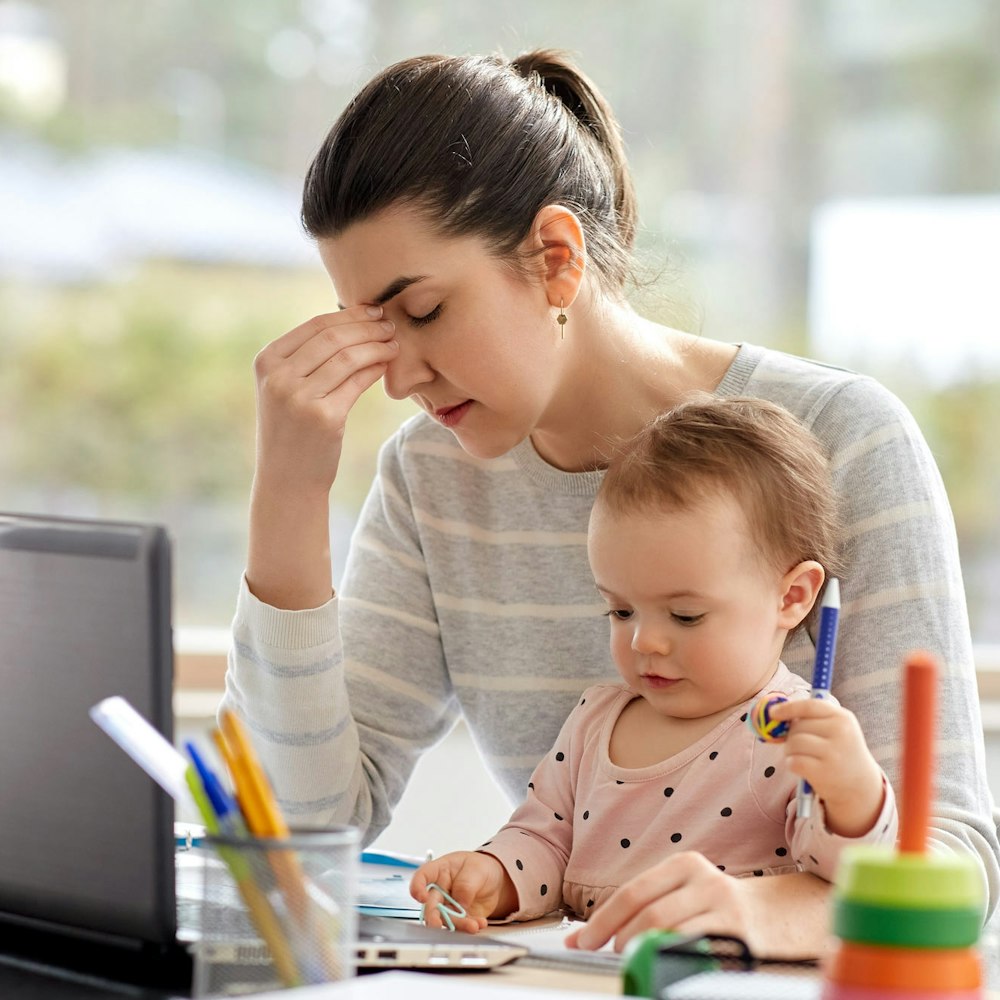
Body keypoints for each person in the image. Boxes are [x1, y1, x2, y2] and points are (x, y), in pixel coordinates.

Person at [222, 49, 999, 955]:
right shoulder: (431, 477)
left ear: (556, 259)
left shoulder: (843, 435)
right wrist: (287, 496)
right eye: (368, 331)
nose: (397, 378)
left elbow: (951, 868)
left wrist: (751, 911)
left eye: (424, 312)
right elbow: (301, 835)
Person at [410, 397, 898, 933]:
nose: (645, 641)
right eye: (620, 610)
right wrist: (494, 874)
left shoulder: (790, 730)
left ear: (792, 597)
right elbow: (542, 842)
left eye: (685, 616)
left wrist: (854, 795)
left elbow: (851, 886)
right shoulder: (595, 720)